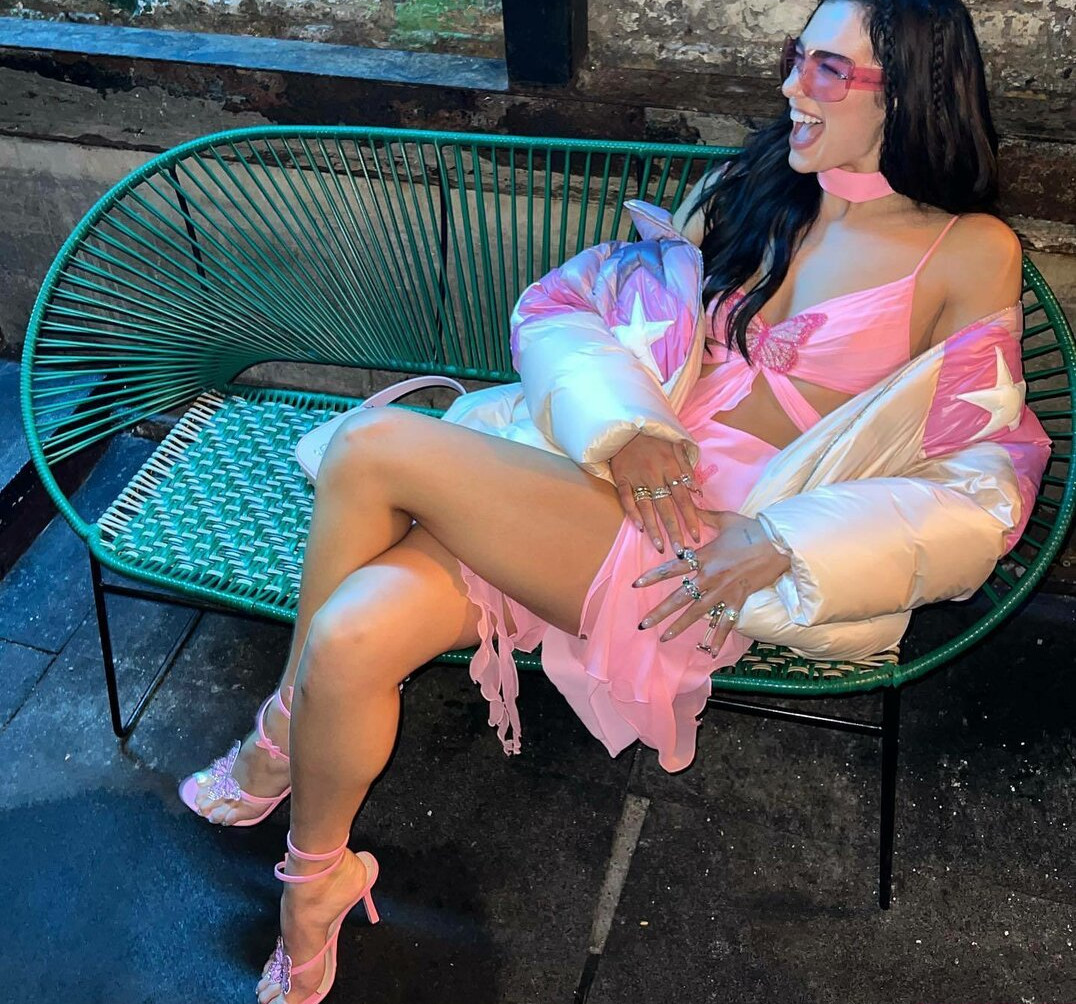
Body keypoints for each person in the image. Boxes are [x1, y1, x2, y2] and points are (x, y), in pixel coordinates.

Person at [178, 1, 1051, 1001]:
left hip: (691, 548)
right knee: (346, 635)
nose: (788, 87)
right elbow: (570, 306)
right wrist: (620, 425)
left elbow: (986, 478)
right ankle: (317, 881)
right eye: (793, 57)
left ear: (909, 90)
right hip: (577, 480)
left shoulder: (967, 251)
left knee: (373, 445)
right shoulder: (751, 185)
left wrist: (784, 538)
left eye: (825, 70)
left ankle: (280, 730)